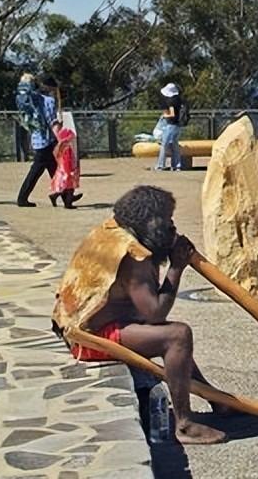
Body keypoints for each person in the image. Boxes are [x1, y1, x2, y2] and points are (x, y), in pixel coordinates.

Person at [51, 186, 228, 443]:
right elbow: (155, 312)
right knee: (177, 336)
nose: (172, 226)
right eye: (167, 220)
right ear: (151, 223)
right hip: (90, 339)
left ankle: (217, 399)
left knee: (171, 339)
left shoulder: (111, 231)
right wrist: (176, 267)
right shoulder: (134, 257)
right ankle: (185, 425)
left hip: (79, 327)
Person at [16, 74, 61, 207]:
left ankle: (65, 195)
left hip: (36, 139)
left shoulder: (27, 102)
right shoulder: (46, 101)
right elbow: (51, 121)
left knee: (54, 169)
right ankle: (22, 198)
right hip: (47, 140)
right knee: (38, 171)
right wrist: (60, 138)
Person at [50, 122, 82, 209]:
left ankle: (58, 196)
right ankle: (67, 202)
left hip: (63, 170)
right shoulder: (67, 148)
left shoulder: (61, 147)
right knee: (69, 185)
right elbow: (68, 161)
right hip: (67, 170)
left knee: (66, 186)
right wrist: (71, 170)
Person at [156, 82, 184, 171]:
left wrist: (165, 116)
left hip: (171, 125)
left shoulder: (171, 101)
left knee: (164, 145)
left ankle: (161, 165)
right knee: (175, 146)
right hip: (178, 125)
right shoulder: (179, 100)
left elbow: (172, 114)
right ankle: (177, 165)